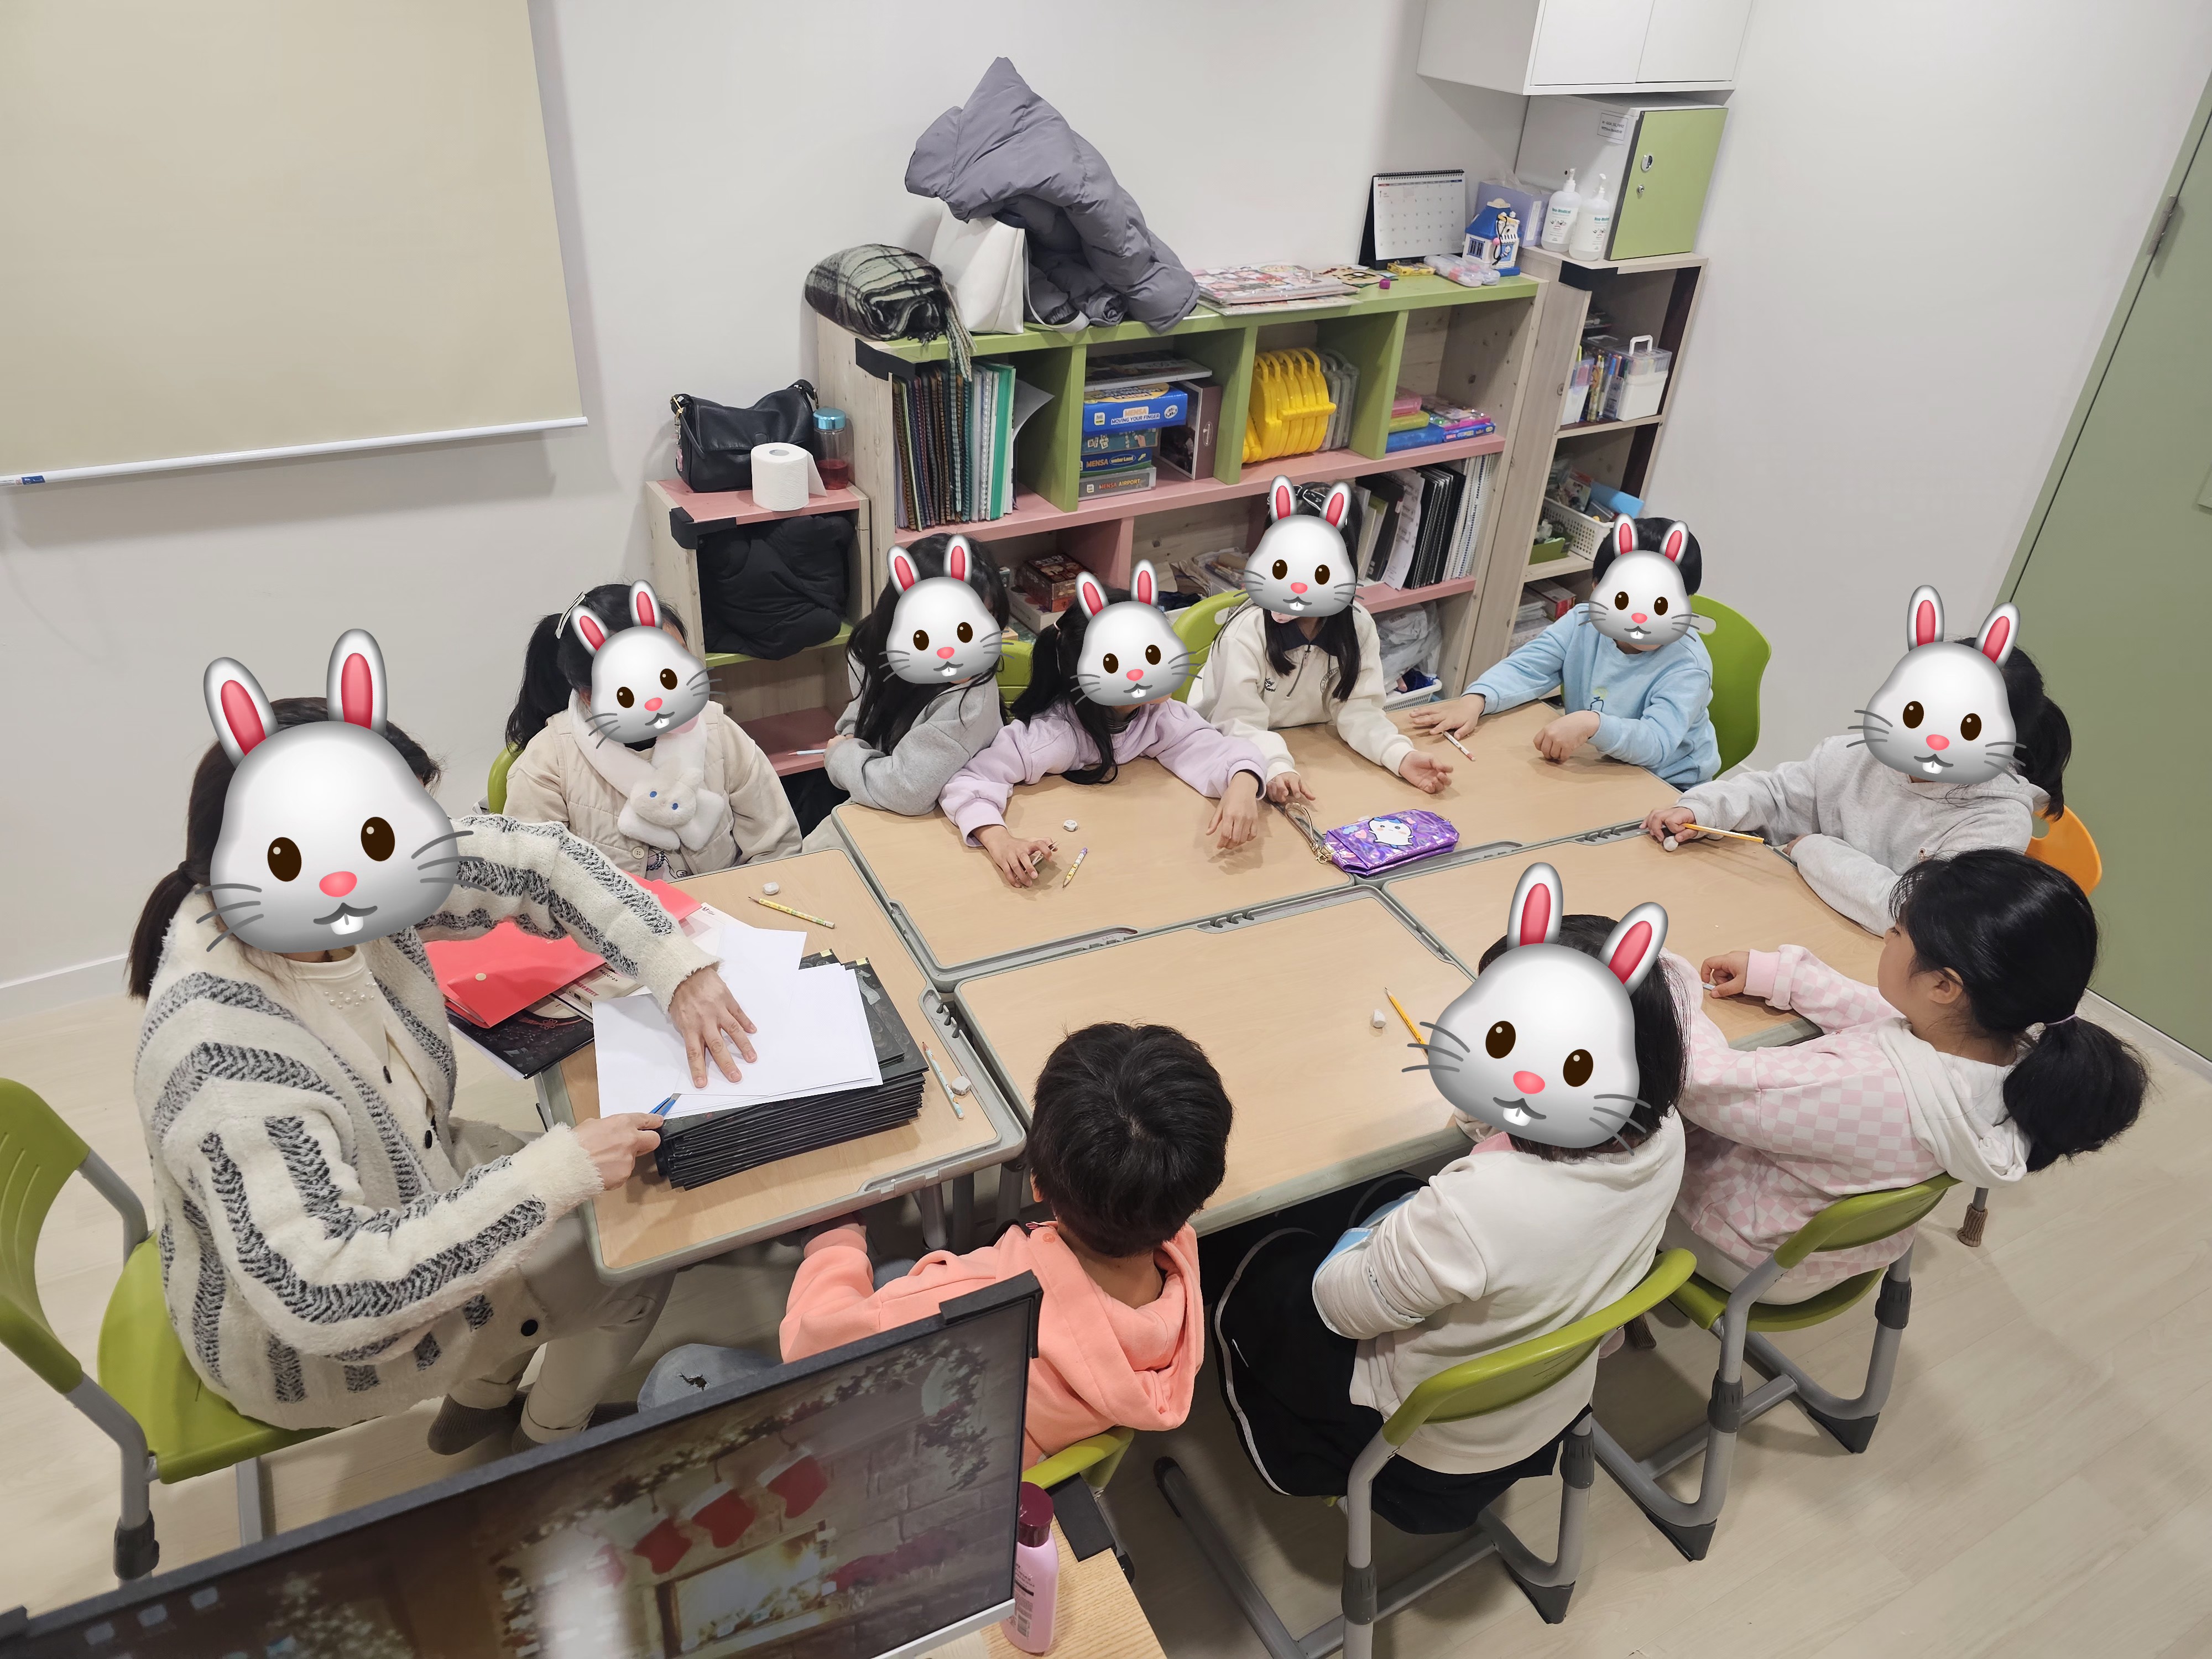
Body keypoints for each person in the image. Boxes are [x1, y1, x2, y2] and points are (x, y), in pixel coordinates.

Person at [129, 698, 759, 1452]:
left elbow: (543, 861)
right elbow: (328, 1298)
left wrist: (674, 966)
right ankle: (550, 1445)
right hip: (307, 1343)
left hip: (412, 1172)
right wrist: (553, 1174)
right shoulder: (226, 1057)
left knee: (603, 1207)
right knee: (634, 1257)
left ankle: (482, 1398)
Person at [1212, 916, 1687, 1534]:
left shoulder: (1482, 1205)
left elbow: (1339, 1304)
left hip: (1421, 1451)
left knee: (1253, 1259)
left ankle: (1275, 1439)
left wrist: (1373, 1239)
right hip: (1545, 1399)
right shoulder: (1664, 1132)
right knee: (1380, 1192)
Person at [1663, 848, 2145, 1302]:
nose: (1887, 938)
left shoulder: (1859, 1088)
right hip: (1835, 1253)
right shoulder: (2009, 1056)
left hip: (1744, 1251)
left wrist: (1667, 986)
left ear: (1943, 985)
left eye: (1896, 932)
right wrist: (1780, 977)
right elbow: (1882, 1017)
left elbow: (1701, 1081)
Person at [772, 1024, 1232, 1464]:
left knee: (886, 1274)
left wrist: (834, 1239)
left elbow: (808, 1351)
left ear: (1036, 1183)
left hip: (921, 1448)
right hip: (1015, 1445)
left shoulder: (961, 1300)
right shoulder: (1182, 1276)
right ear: (1195, 1201)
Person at [1645, 645, 2070, 935]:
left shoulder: (1997, 820)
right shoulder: (1861, 753)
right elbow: (1777, 795)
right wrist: (1703, 809)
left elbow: (1911, 914)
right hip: (1800, 919)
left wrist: (1812, 848)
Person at [940, 589, 1267, 889]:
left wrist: (1242, 784)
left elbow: (1215, 748)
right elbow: (968, 783)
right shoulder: (1052, 736)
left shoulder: (1158, 714)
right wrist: (1000, 841)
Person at [502, 582, 800, 878]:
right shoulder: (549, 761)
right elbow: (533, 883)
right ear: (589, 696)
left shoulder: (717, 729)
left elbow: (776, 846)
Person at [1413, 517, 1719, 786]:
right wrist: (1476, 700)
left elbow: (1658, 742)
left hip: (1671, 782)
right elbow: (1527, 668)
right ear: (1597, 588)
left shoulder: (1687, 664)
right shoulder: (1584, 621)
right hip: (1599, 761)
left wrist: (1591, 723)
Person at [799, 533, 1010, 851]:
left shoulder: (968, 702)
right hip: (878, 789)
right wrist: (851, 743)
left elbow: (909, 791)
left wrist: (844, 756)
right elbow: (863, 711)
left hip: (935, 822)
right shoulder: (876, 647)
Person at [1204, 598, 1453, 804]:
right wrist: (1275, 765)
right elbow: (1237, 723)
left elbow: (1360, 710)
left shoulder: (1357, 624)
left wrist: (1399, 755)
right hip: (1236, 749)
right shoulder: (1245, 632)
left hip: (1314, 743)